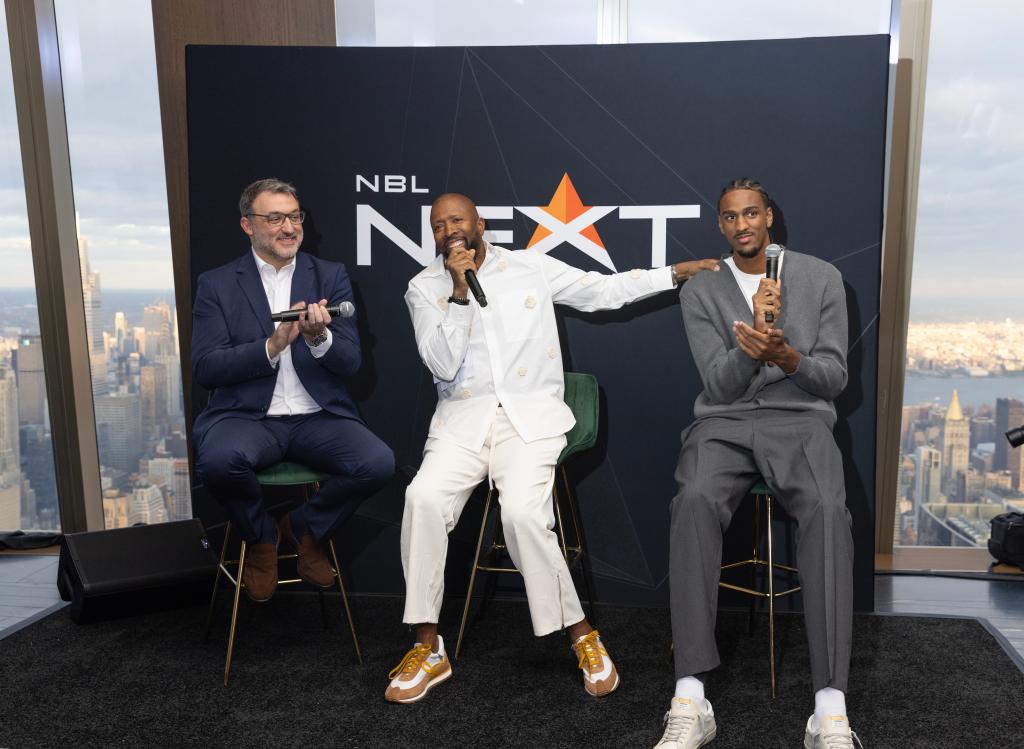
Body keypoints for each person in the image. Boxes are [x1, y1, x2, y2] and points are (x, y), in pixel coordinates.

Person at [385, 192, 720, 704]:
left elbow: (603, 291)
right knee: (422, 500)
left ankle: (583, 634)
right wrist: (456, 293)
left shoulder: (528, 267)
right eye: (437, 225)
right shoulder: (422, 288)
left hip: (529, 422)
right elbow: (441, 365)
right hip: (461, 424)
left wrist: (674, 272)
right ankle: (428, 647)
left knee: (522, 514)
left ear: (479, 222)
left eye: (457, 220)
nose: (448, 230)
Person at [653, 178, 860, 749]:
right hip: (725, 423)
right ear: (720, 225)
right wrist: (753, 339)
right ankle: (690, 697)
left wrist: (788, 354)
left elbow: (834, 379)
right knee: (692, 498)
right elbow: (718, 387)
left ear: (769, 217)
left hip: (801, 420)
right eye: (729, 217)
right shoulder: (702, 291)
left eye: (750, 214)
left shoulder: (820, 278)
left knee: (825, 508)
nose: (741, 225)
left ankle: (829, 708)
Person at [192, 178, 394, 603]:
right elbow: (206, 368)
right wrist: (272, 346)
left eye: (295, 216)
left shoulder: (330, 275)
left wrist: (319, 338)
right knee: (218, 461)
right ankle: (263, 541)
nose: (289, 227)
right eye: (275, 218)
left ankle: (305, 529)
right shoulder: (217, 284)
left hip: (317, 417)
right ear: (248, 225)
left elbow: (351, 363)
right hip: (248, 418)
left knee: (377, 462)